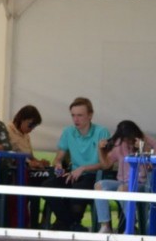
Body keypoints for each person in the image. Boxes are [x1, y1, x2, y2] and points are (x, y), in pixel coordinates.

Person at [43, 97, 111, 230]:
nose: (76, 119)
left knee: (78, 188)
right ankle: (72, 224)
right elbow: (58, 158)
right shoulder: (68, 132)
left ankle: (64, 223)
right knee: (47, 186)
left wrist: (83, 168)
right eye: (73, 115)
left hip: (94, 175)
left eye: (80, 115)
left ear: (90, 115)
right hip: (73, 174)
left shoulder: (101, 132)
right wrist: (58, 165)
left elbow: (106, 164)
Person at [93, 120, 156, 234]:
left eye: (128, 138)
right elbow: (106, 165)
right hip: (122, 182)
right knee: (99, 186)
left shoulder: (149, 142)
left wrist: (144, 148)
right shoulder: (120, 143)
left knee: (122, 189)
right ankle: (105, 226)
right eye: (123, 138)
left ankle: (131, 226)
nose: (126, 142)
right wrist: (100, 149)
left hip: (142, 183)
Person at [7, 104, 50, 225]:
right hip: (15, 174)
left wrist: (39, 162)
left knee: (51, 185)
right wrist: (30, 163)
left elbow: (30, 156)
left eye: (34, 126)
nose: (31, 129)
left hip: (28, 172)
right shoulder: (7, 131)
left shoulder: (26, 136)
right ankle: (33, 224)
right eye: (30, 125)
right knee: (35, 190)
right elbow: (10, 155)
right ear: (22, 119)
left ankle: (43, 222)